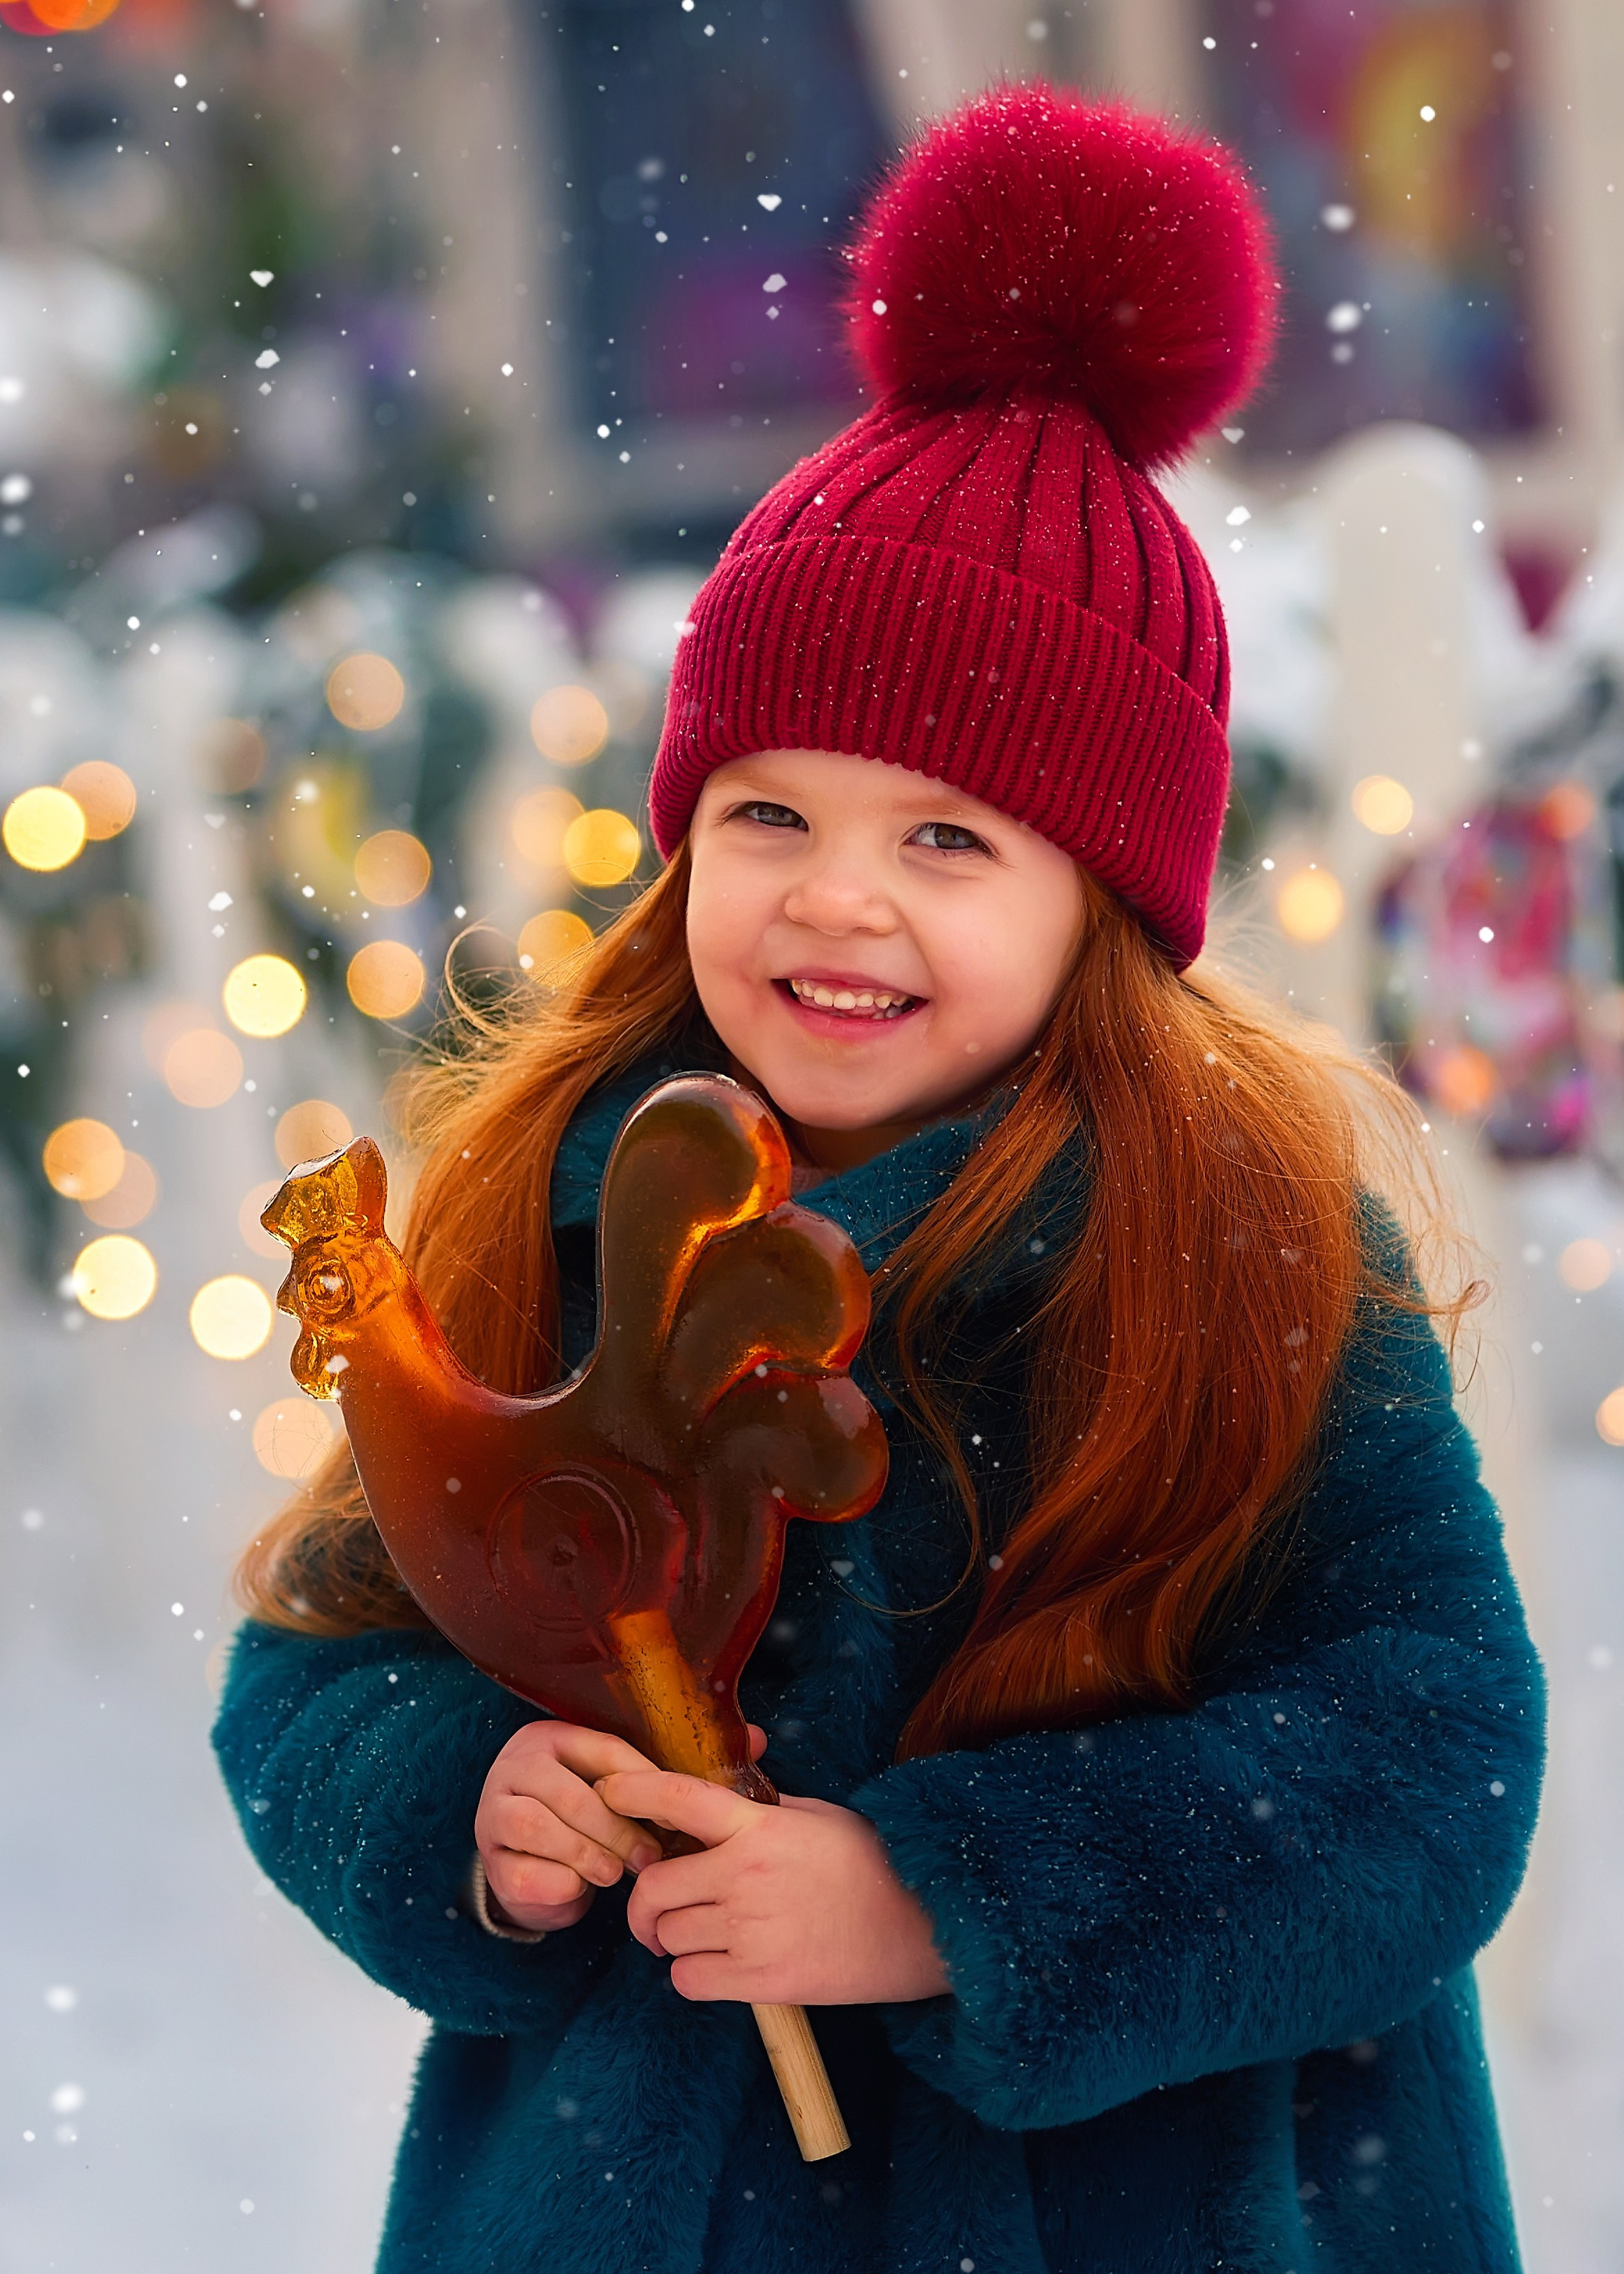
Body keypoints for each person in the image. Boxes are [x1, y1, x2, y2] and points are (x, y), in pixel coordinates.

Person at [213, 84, 1543, 2274]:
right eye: (769, 815)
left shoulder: (1230, 1253)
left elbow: (1424, 1760)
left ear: (1101, 899)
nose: (839, 903)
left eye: (946, 838)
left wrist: (952, 1895)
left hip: (1150, 2209)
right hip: (634, 2201)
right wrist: (463, 1799)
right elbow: (324, 1645)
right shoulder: (542, 1203)